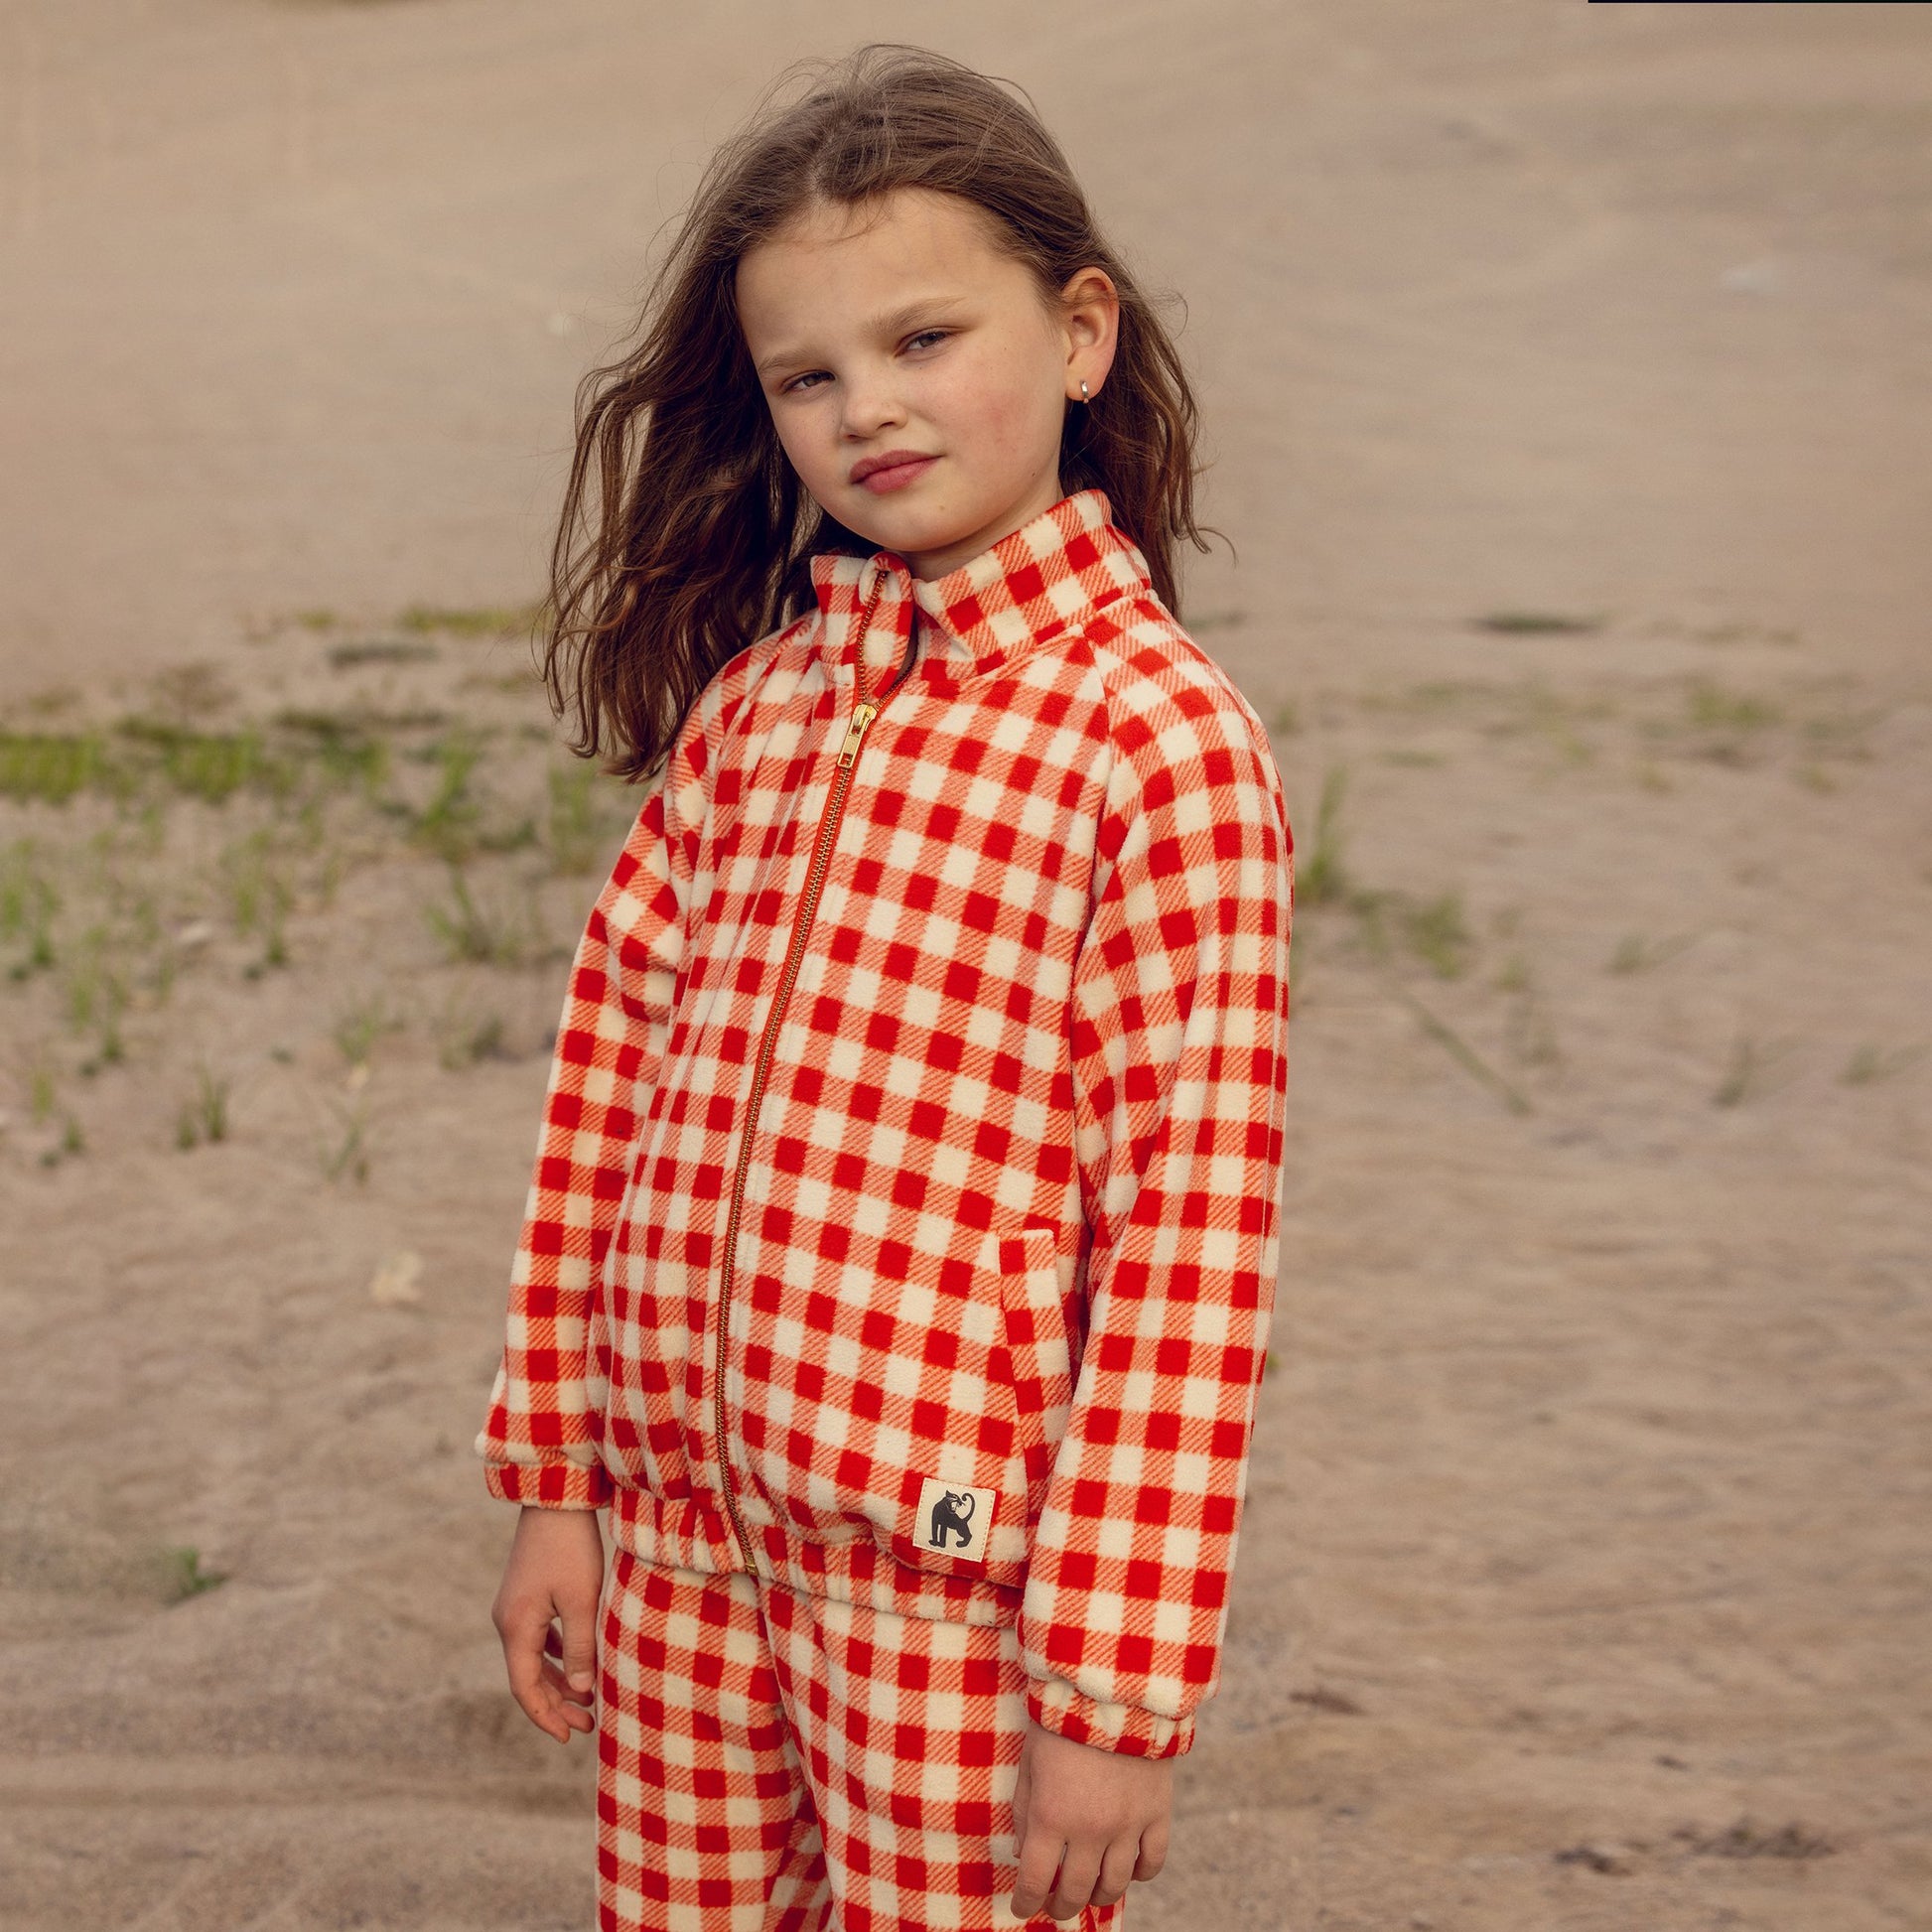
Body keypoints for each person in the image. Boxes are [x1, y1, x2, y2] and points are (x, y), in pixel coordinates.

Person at [477, 42, 1293, 1932]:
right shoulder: (758, 716)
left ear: (1078, 331)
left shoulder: (1154, 739)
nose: (868, 410)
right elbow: (600, 1100)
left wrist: (1111, 1695)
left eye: (925, 340)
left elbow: (1185, 1256)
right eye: (809, 376)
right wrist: (561, 1484)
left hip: (951, 1593)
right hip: (681, 1560)